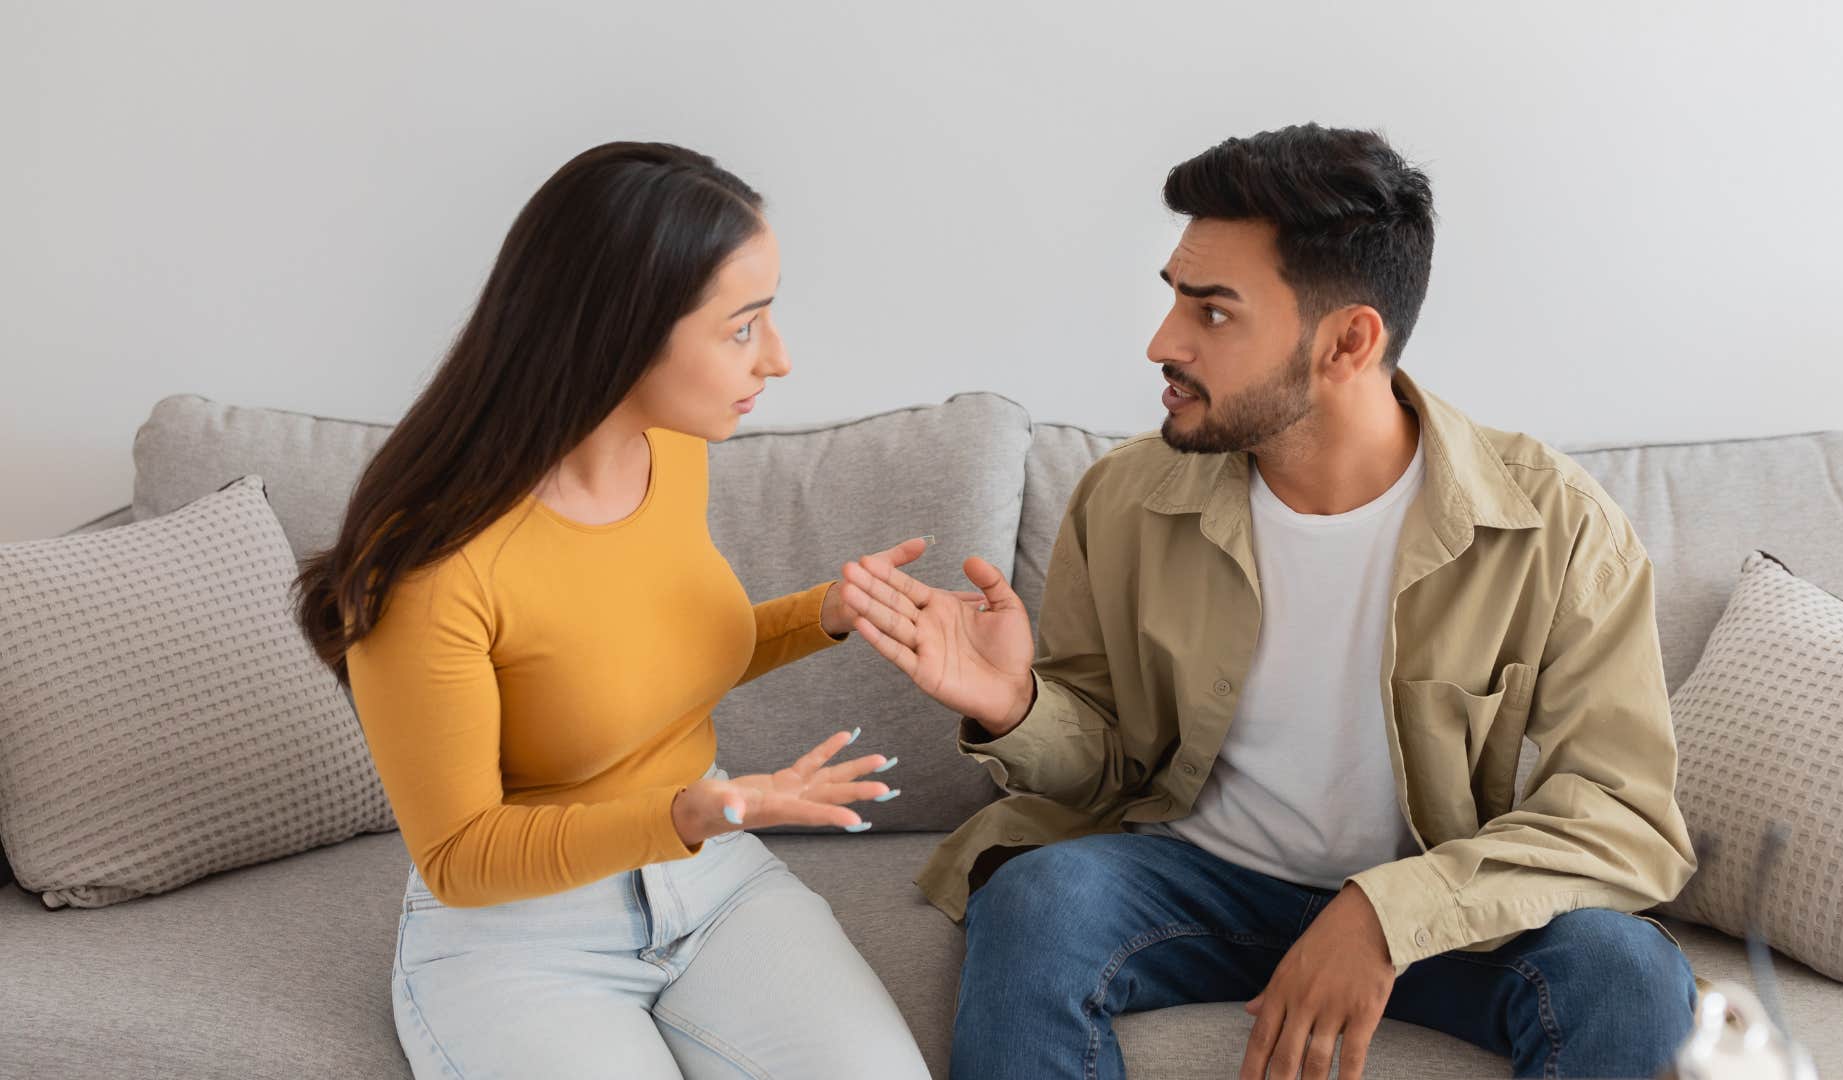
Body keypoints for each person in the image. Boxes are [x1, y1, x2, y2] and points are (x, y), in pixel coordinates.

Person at [838, 124, 1698, 1080]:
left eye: (1213, 313)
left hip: (1435, 909)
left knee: (1625, 973)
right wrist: (1016, 707)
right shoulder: (1125, 499)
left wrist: (1386, 912)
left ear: (1347, 342)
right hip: (1197, 883)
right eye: (1174, 297)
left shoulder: (1557, 525)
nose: (1162, 341)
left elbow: (1622, 818)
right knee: (1040, 896)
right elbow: (1109, 767)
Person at [296, 141, 931, 1079]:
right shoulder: (430, 566)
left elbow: (642, 661)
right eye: (743, 326)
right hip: (520, 938)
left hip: (712, 887)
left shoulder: (670, 450)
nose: (781, 358)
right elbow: (461, 856)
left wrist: (828, 612)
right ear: (622, 330)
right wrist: (691, 810)